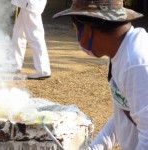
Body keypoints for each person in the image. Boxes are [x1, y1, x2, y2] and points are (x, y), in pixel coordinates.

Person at [53, 0, 148, 149]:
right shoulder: (119, 53)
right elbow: (124, 114)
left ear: (88, 30)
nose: (76, 35)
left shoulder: (136, 63)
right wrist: (95, 147)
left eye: (76, 29)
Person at [11, 0, 51, 80]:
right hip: (28, 4)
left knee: (34, 34)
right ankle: (15, 65)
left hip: (30, 3)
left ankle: (43, 70)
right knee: (18, 33)